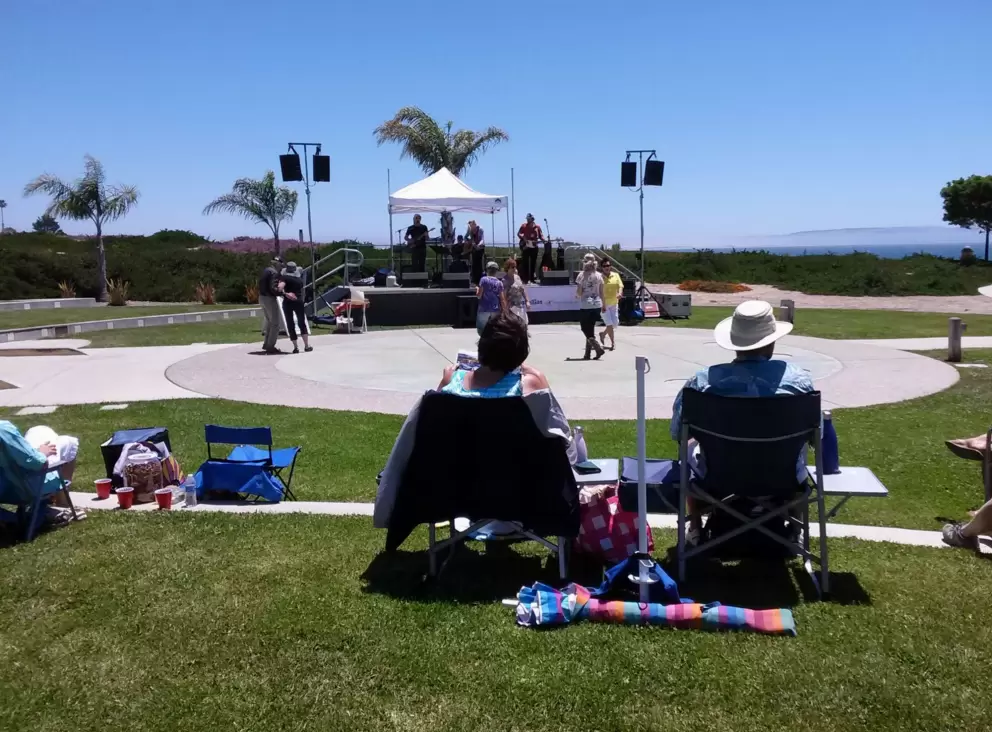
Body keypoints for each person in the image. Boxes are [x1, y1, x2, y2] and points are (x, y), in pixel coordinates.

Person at [374, 309, 577, 530]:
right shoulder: (531, 386)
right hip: (521, 492)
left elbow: (429, 432)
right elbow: (560, 437)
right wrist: (535, 373)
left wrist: (444, 383)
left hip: (453, 489)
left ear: (482, 346)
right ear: (521, 351)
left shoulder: (450, 383)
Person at [670, 300, 813, 540]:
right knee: (799, 451)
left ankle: (695, 528)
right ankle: (797, 527)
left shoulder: (703, 382)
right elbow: (815, 437)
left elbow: (677, 432)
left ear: (734, 343)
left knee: (687, 448)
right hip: (782, 478)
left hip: (719, 478)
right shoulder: (798, 382)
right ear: (771, 341)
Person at [0, 421, 82, 526]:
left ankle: (8, 519)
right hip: (24, 489)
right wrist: (42, 452)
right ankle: (63, 502)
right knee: (68, 442)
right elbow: (37, 463)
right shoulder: (3, 429)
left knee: (36, 430)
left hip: (4, 491)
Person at [575, 254, 605, 360]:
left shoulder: (581, 275)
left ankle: (597, 347)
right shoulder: (599, 275)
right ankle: (587, 354)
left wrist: (577, 295)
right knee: (590, 329)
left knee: (584, 328)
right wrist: (604, 304)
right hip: (597, 303)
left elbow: (579, 291)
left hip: (586, 304)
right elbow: (601, 292)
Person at [278, 262, 312, 354]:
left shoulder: (284, 278)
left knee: (290, 323)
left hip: (288, 302)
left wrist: (286, 293)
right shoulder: (299, 280)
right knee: (302, 322)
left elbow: (280, 288)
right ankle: (306, 345)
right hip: (299, 301)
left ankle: (295, 347)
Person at [258, 255, 283, 354]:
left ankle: (266, 344)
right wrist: (282, 293)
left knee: (269, 322)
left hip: (262, 297)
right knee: (275, 323)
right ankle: (270, 346)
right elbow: (273, 287)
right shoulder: (274, 273)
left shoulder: (266, 270)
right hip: (269, 299)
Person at [598, 258, 623, 351]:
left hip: (614, 303)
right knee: (609, 324)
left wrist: (620, 293)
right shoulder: (599, 277)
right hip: (603, 304)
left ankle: (603, 334)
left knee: (615, 324)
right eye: (604, 266)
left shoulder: (615, 275)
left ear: (610, 266)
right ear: (602, 267)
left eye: (608, 265)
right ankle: (613, 343)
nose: (606, 268)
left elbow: (620, 286)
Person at [476, 261, 506, 335]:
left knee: (482, 330)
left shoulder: (483, 280)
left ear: (487, 270)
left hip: (484, 309)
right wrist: (505, 310)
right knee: (495, 330)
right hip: (495, 310)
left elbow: (479, 295)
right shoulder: (499, 283)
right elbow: (502, 299)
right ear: (496, 271)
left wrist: (477, 289)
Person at [516, 213, 545, 284]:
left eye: (529, 219)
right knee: (525, 262)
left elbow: (541, 235)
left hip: (534, 246)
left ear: (532, 219)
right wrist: (523, 237)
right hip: (526, 246)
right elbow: (519, 233)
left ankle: (532, 278)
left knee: (533, 263)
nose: (528, 220)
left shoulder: (537, 227)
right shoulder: (523, 226)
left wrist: (544, 240)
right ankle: (525, 279)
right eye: (527, 219)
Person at [502, 258, 530, 324]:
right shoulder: (505, 280)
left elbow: (522, 289)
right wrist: (505, 309)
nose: (514, 269)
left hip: (519, 306)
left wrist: (527, 301)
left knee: (524, 324)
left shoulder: (517, 277)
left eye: (515, 267)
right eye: (512, 267)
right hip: (511, 308)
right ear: (507, 268)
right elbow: (503, 296)